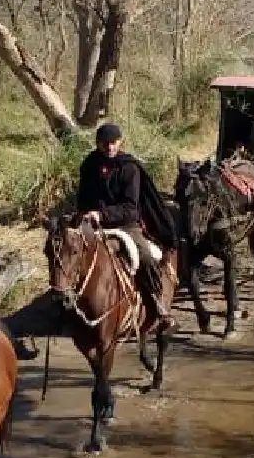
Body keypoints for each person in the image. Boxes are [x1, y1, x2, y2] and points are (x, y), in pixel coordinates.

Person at [76, 123, 178, 329]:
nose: (109, 147)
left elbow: (131, 208)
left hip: (126, 225)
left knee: (146, 257)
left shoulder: (129, 168)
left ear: (120, 142)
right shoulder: (89, 165)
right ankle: (64, 301)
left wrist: (102, 214)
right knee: (68, 250)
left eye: (113, 143)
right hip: (92, 224)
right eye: (105, 143)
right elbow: (82, 198)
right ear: (97, 143)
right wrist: (84, 214)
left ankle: (158, 304)